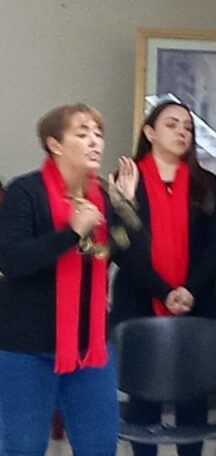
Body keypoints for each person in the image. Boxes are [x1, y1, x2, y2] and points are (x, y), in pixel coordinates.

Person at [0, 104, 137, 456]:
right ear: (55, 144)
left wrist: (126, 210)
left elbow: (113, 253)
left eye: (98, 134)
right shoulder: (24, 193)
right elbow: (13, 261)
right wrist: (71, 233)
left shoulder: (103, 196)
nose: (95, 142)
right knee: (24, 448)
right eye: (82, 133)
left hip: (90, 346)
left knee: (99, 447)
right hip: (27, 348)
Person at [109, 100, 216, 456]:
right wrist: (164, 290)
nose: (182, 133)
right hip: (140, 300)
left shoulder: (205, 183)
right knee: (142, 398)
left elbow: (214, 246)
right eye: (172, 124)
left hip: (196, 301)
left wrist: (188, 289)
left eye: (188, 128)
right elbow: (122, 248)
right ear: (149, 132)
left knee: (192, 398)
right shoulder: (126, 182)